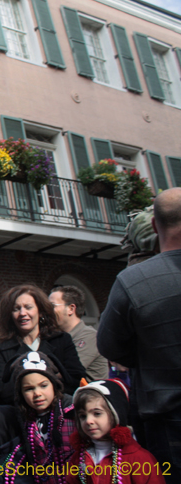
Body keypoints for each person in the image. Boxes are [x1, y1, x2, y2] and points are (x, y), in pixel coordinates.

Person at [98, 187, 181, 483]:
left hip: (167, 421)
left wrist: (147, 354)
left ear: (155, 226)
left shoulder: (134, 279)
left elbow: (109, 345)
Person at [0, 284, 86, 406]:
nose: (23, 313)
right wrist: (54, 376)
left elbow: (75, 379)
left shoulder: (61, 340)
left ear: (40, 311)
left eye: (28, 307)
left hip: (59, 412)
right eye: (16, 309)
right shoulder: (0, 347)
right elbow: (0, 388)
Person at [67, 379, 166, 484]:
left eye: (97, 413)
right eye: (82, 416)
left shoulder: (139, 458)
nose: (88, 421)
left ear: (116, 414)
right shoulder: (78, 458)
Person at [11, 351, 76, 484]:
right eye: (29, 389)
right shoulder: (25, 421)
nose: (37, 393)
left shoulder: (72, 412)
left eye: (43, 385)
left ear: (54, 385)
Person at [49, 285, 108, 381]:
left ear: (71, 309)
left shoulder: (89, 337)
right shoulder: (58, 338)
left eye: (52, 306)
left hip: (87, 395)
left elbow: (66, 372)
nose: (47, 310)